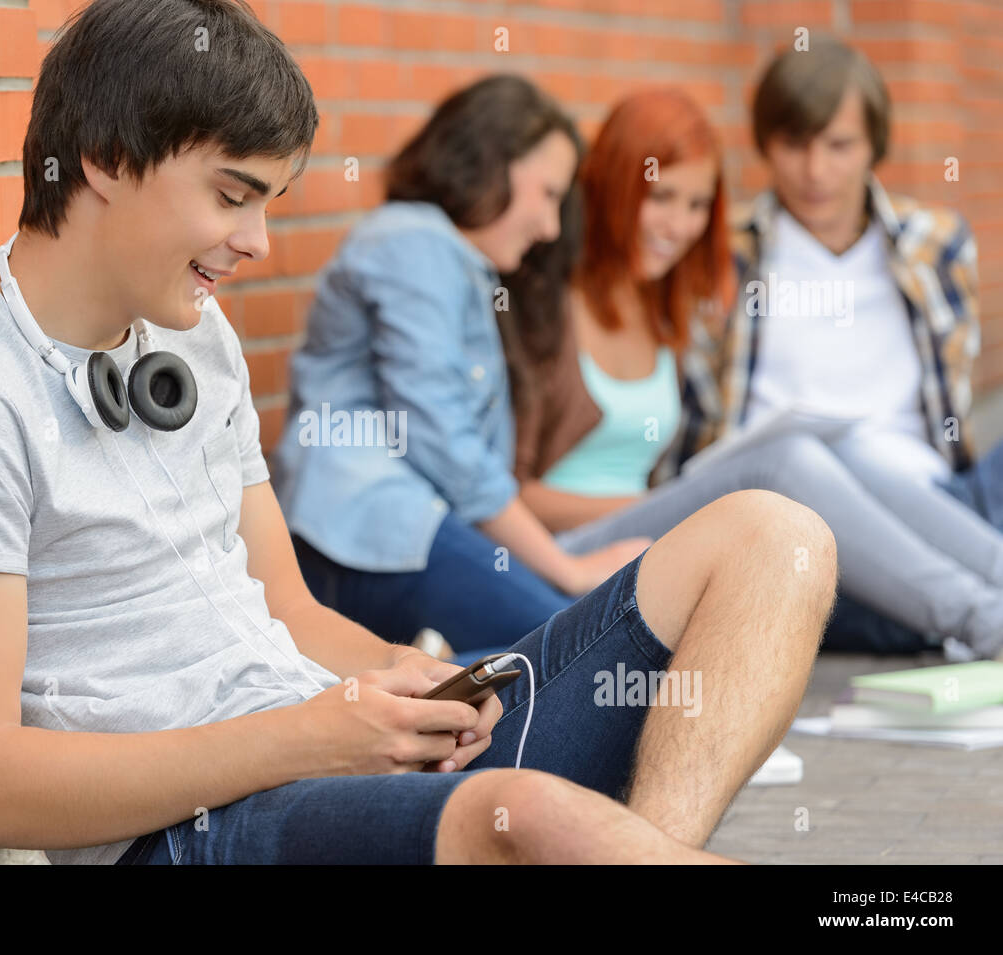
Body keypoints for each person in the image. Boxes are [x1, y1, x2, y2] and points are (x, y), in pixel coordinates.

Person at [0, 1, 834, 866]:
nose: (256, 242)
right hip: (196, 825)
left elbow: (290, 611)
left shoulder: (193, 340)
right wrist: (310, 737)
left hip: (329, 748)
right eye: (232, 194)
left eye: (266, 204)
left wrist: (401, 676)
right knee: (531, 819)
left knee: (775, 539)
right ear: (107, 162)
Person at [503, 85, 1003, 660]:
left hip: (650, 529)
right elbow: (508, 497)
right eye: (660, 197)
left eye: (696, 206)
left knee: (851, 447)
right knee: (780, 462)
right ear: (614, 184)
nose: (678, 224)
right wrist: (678, 500)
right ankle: (982, 620)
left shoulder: (664, 308)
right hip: (567, 554)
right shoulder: (544, 306)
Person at [269, 76, 650, 654]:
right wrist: (565, 570)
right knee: (583, 654)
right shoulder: (412, 242)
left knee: (554, 651)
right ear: (489, 164)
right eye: (548, 193)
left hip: (408, 530)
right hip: (365, 531)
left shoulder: (458, 260)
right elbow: (443, 441)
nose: (550, 227)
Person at [655, 38, 1003, 661]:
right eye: (794, 145)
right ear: (765, 144)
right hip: (800, 518)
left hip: (931, 497)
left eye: (839, 146)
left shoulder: (937, 243)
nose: (816, 171)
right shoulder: (724, 254)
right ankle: (941, 615)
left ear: (875, 146)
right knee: (820, 468)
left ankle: (935, 610)